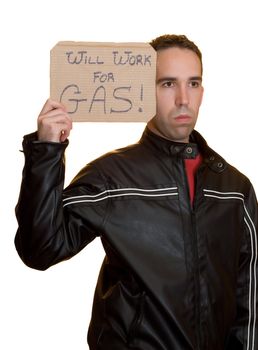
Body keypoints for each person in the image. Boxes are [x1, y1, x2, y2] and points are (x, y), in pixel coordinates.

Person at [15, 34, 258, 350]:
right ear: (145, 90)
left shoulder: (234, 190)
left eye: (193, 83)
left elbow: (250, 298)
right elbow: (40, 249)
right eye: (167, 84)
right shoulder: (113, 178)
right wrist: (47, 150)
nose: (184, 98)